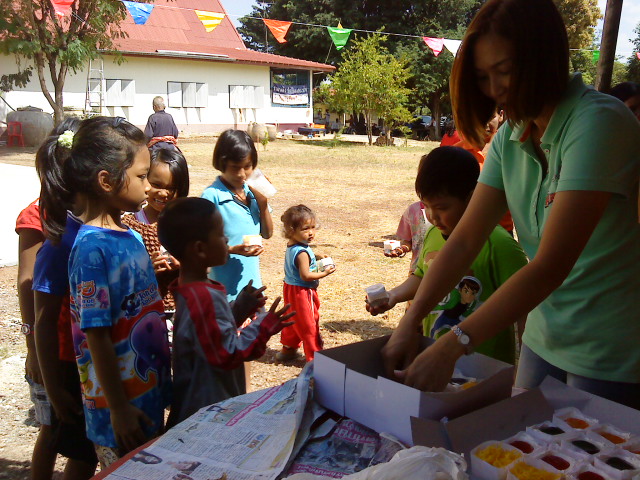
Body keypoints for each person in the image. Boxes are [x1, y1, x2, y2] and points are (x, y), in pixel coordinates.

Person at [382, 0, 640, 408]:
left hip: (609, 346)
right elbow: (464, 241)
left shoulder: (599, 122)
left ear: (544, 57)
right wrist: (410, 321)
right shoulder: (510, 137)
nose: (495, 89)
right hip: (543, 334)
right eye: (483, 77)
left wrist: (453, 344)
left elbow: (551, 264)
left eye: (504, 70)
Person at [50, 116, 171, 467]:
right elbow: (96, 334)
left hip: (146, 395)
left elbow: (134, 305)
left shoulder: (129, 234)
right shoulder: (92, 249)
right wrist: (118, 409)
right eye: (142, 176)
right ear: (106, 181)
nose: (148, 186)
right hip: (120, 412)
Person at [368, 147, 527, 364]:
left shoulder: (499, 245)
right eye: (426, 207)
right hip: (434, 358)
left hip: (484, 365)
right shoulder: (433, 234)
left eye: (442, 208)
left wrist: (524, 365)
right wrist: (394, 295)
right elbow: (422, 276)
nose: (433, 217)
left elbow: (524, 306)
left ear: (472, 197)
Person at [157, 198, 294, 426]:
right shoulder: (202, 297)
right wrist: (263, 326)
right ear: (200, 249)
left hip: (200, 403)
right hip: (206, 413)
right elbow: (228, 352)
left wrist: (241, 307)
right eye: (221, 234)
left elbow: (210, 333)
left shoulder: (191, 288)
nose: (227, 240)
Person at [31, 117, 99, 479]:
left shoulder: (98, 233)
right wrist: (54, 389)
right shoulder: (60, 245)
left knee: (88, 452)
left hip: (94, 361)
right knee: (81, 452)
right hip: (69, 366)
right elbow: (43, 321)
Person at [201, 129, 273, 301]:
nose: (242, 174)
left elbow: (267, 234)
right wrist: (233, 250)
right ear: (222, 163)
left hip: (253, 289)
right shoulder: (212, 197)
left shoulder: (252, 192)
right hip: (224, 294)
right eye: (235, 167)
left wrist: (263, 203)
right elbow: (202, 248)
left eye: (247, 167)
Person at [122, 147, 190, 313]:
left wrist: (185, 264)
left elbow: (205, 265)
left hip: (181, 307)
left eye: (171, 187)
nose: (163, 193)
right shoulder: (130, 224)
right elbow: (121, 272)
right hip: (145, 308)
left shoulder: (186, 223)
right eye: (156, 185)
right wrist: (147, 269)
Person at [16, 199, 56, 480]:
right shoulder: (35, 216)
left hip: (78, 341)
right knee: (51, 427)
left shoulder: (87, 207)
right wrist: (33, 349)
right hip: (49, 342)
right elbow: (26, 281)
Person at [277, 205, 336, 362]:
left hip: (290, 289)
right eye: (305, 229)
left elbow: (300, 261)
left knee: (292, 319)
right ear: (291, 230)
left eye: (313, 227)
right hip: (302, 292)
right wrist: (325, 272)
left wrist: (315, 256)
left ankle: (288, 349)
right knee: (309, 323)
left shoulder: (293, 245)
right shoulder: (302, 252)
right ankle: (315, 358)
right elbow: (306, 275)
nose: (311, 232)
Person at [386, 201, 431, 274]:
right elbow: (408, 240)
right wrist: (401, 249)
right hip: (418, 270)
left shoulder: (448, 209)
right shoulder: (413, 210)